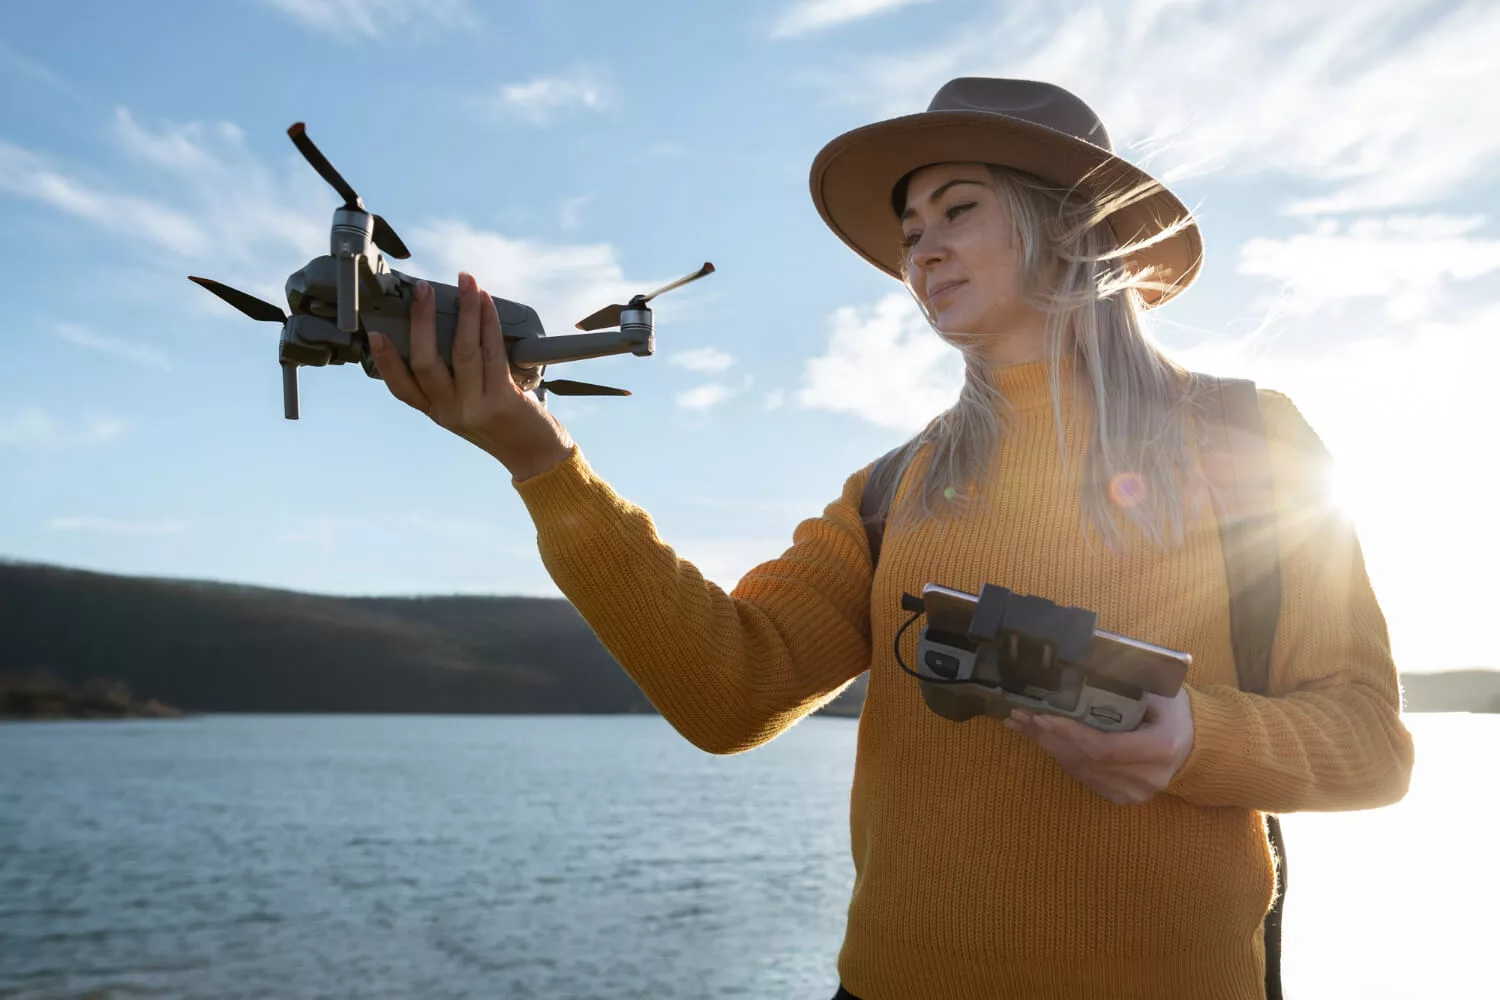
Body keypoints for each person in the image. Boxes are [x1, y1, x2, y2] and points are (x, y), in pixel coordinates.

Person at [368, 78, 1415, 999]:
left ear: (1073, 227)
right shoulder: (891, 491)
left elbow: (1371, 742)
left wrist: (1192, 738)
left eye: (959, 209)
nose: (922, 248)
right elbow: (730, 691)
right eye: (912, 229)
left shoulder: (1249, 438)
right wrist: (541, 459)